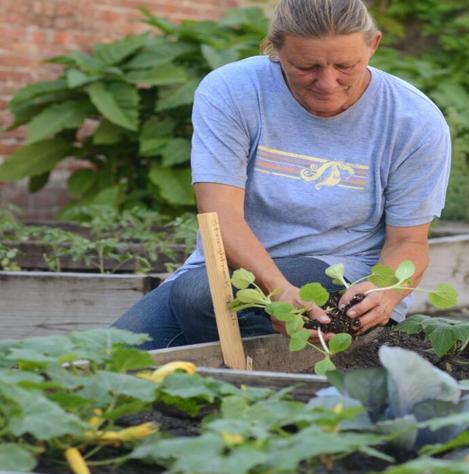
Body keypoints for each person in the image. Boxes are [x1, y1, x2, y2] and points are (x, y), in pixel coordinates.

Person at [114, 0, 451, 348]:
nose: (327, 83)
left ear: (373, 44)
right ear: (275, 48)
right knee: (108, 357)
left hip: (340, 272)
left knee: (201, 296)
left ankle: (287, 369)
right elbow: (219, 214)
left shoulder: (413, 121)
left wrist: (387, 291)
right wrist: (276, 289)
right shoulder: (233, 90)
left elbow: (409, 242)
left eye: (345, 66)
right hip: (230, 267)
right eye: (307, 67)